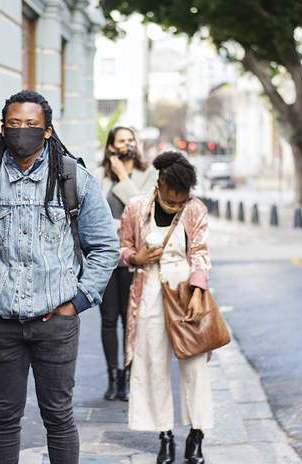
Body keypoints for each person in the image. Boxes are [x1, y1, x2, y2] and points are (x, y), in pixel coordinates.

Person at [0, 90, 120, 464]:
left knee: (59, 417)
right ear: (2, 129)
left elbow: (105, 247)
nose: (23, 131)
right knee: (3, 418)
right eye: (15, 124)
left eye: (32, 125)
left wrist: (78, 302)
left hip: (56, 323)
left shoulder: (72, 177)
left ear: (47, 131)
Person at [119, 151, 213, 464]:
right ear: (159, 184)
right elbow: (123, 248)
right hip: (148, 293)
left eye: (181, 201)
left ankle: (197, 434)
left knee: (195, 366)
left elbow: (200, 251)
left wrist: (199, 291)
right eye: (171, 201)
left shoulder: (195, 209)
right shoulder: (136, 208)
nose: (176, 206)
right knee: (153, 365)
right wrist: (136, 258)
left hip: (186, 294)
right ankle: (165, 435)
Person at [95, 126, 157, 401]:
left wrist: (122, 176)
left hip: (136, 258)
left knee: (131, 320)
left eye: (130, 140)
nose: (126, 145)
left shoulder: (148, 173)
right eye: (121, 141)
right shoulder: (98, 176)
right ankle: (113, 377)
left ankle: (129, 378)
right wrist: (118, 226)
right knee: (109, 319)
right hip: (107, 256)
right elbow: (93, 215)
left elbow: (144, 209)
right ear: (110, 147)